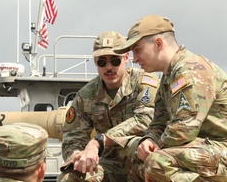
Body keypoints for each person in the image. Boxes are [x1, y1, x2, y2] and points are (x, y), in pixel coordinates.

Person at [112, 14, 227, 182]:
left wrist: (157, 147)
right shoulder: (167, 78)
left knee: (158, 162)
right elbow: (159, 122)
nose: (135, 59)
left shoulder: (190, 69)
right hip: (203, 149)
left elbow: (184, 128)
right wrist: (149, 140)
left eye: (138, 50)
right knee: (138, 158)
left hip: (226, 151)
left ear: (158, 44)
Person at [57, 31, 160, 182]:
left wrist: (99, 141)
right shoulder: (85, 96)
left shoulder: (143, 83)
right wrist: (78, 156)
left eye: (115, 61)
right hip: (107, 165)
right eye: (102, 62)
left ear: (126, 58)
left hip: (139, 160)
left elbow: (145, 119)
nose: (109, 67)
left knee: (139, 148)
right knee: (69, 178)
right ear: (95, 62)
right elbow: (73, 136)